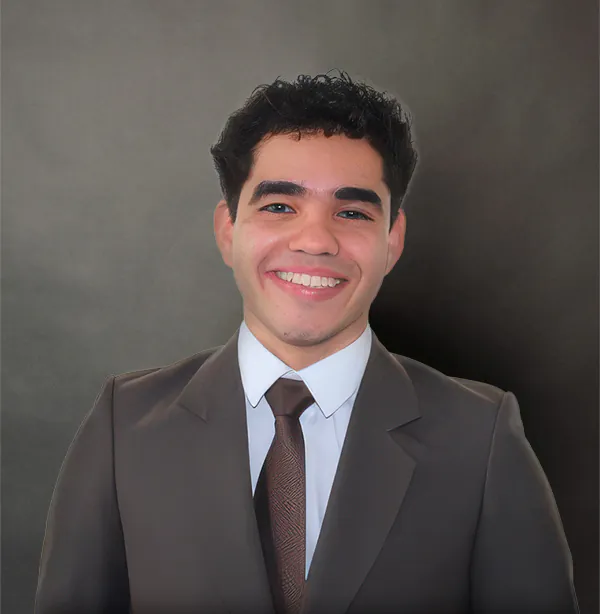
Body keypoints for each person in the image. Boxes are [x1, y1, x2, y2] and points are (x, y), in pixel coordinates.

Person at [35, 72, 579, 614]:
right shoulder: (124, 430)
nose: (316, 240)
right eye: (279, 206)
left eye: (352, 213)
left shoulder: (480, 439)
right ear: (228, 230)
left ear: (392, 241)